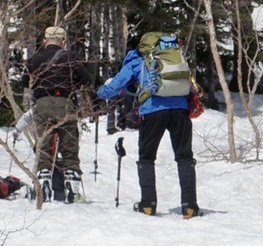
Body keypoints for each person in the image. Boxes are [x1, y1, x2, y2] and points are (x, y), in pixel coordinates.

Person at [99, 32, 199, 218]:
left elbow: (115, 86)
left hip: (152, 110)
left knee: (147, 157)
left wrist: (100, 91)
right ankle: (190, 206)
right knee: (184, 156)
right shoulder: (176, 58)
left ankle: (148, 205)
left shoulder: (138, 62)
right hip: (180, 109)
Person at [25, 25, 89, 201]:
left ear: (44, 41)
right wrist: (71, 84)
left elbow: (24, 82)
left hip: (42, 104)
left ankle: (43, 185)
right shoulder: (70, 57)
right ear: (62, 41)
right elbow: (87, 79)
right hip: (65, 104)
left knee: (44, 146)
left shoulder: (34, 58)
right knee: (69, 146)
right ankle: (72, 188)